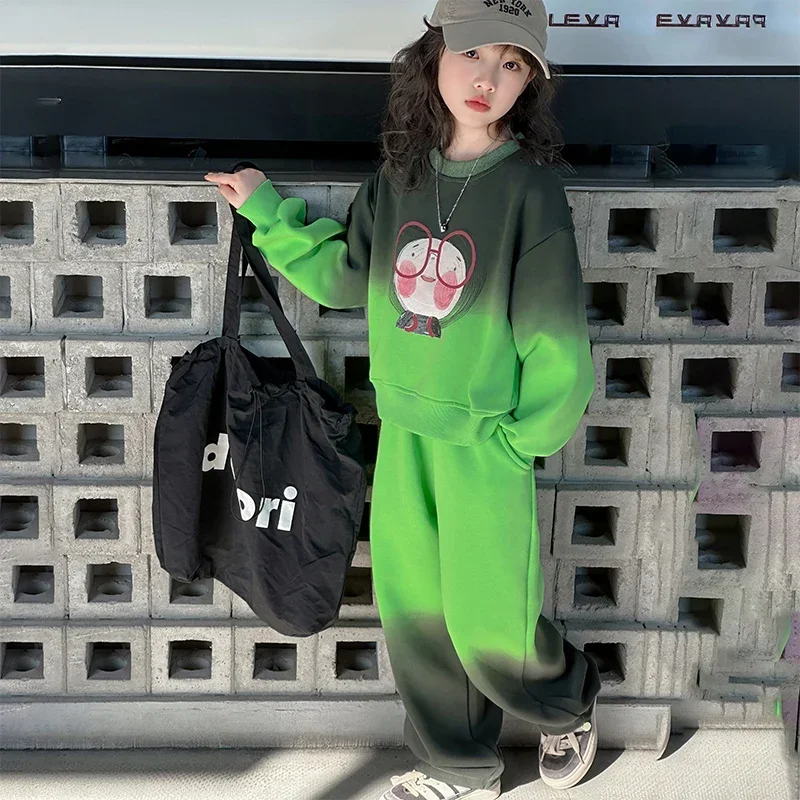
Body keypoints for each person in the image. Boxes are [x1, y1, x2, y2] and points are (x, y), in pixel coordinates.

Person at [205, 0, 601, 796]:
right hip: (406, 429)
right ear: (434, 57)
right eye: (473, 54)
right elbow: (343, 275)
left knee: (490, 614)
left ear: (530, 83)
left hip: (485, 442)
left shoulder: (530, 191)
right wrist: (264, 210)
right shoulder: (400, 176)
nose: (488, 78)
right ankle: (458, 765)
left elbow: (556, 334)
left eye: (513, 64)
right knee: (415, 612)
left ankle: (563, 705)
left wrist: (523, 438)